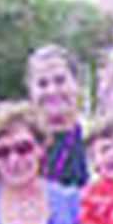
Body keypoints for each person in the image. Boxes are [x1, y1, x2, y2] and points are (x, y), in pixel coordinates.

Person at [27, 44, 89, 189]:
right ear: (31, 91)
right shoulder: (21, 147)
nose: (52, 91)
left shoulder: (97, 140)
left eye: (60, 81)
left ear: (77, 84)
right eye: (42, 84)